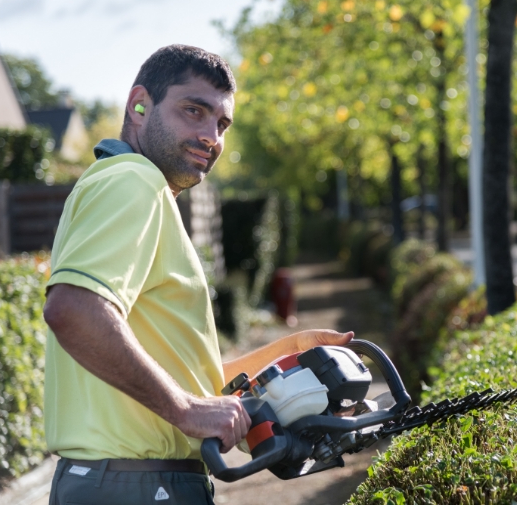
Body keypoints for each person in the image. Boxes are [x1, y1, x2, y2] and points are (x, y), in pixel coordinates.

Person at [42, 45, 353, 504]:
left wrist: (290, 351)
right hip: (139, 486)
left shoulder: (125, 185)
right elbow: (73, 308)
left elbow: (178, 378)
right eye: (194, 111)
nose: (211, 136)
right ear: (139, 105)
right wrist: (186, 409)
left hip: (125, 482)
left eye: (222, 123)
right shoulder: (134, 180)